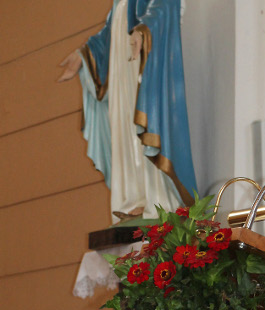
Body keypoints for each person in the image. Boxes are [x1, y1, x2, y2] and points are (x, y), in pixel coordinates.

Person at [58, 0, 196, 220]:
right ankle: (135, 198)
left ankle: (158, 201)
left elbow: (165, 4)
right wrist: (83, 55)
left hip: (142, 67)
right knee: (125, 129)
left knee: (144, 125)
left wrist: (144, 29)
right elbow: (108, 34)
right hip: (121, 73)